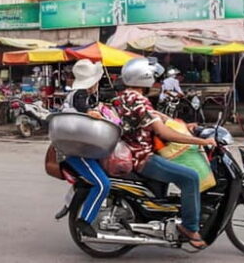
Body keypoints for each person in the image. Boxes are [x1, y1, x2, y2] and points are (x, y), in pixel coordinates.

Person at [113, 58, 216, 250]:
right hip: (143, 158)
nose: (154, 80)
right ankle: (189, 227)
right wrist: (202, 141)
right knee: (190, 177)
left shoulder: (125, 96)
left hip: (134, 152)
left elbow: (157, 117)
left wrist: (183, 126)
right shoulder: (138, 100)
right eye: (152, 76)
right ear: (143, 78)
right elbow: (163, 132)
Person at [60, 59, 108, 238]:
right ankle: (85, 220)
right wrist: (94, 113)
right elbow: (85, 111)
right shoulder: (80, 94)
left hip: (78, 147)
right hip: (77, 151)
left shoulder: (75, 94)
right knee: (103, 185)